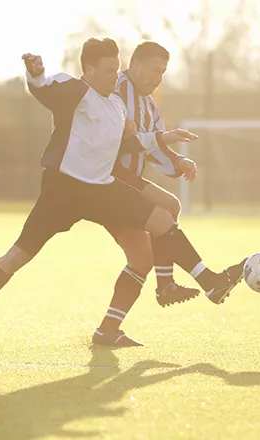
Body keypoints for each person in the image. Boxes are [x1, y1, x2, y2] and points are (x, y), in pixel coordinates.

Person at [0, 37, 246, 350]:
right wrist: (35, 73)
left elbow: (129, 144)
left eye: (117, 69)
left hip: (101, 189)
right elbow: (43, 89)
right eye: (108, 70)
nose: (116, 75)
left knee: (163, 217)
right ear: (87, 69)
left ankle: (210, 283)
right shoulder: (75, 90)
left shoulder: (116, 105)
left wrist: (164, 138)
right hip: (63, 191)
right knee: (15, 258)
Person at [93, 41, 213, 343]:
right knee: (169, 206)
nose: (158, 78)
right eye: (154, 70)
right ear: (134, 66)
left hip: (127, 183)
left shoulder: (148, 104)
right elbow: (119, 138)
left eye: (163, 72)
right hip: (109, 180)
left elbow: (156, 145)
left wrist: (179, 161)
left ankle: (107, 331)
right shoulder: (116, 89)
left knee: (141, 259)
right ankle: (170, 285)